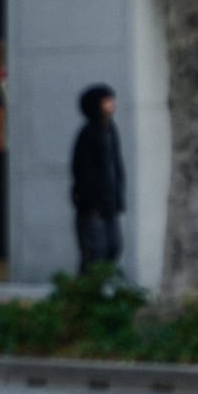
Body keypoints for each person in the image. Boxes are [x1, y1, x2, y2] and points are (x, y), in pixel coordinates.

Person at [71, 83, 126, 273]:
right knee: (95, 250)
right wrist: (89, 202)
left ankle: (99, 283)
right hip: (93, 206)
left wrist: (118, 196)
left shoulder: (111, 130)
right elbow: (82, 170)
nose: (111, 104)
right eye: (106, 101)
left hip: (110, 202)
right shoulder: (88, 133)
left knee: (113, 246)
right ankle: (86, 286)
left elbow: (116, 165)